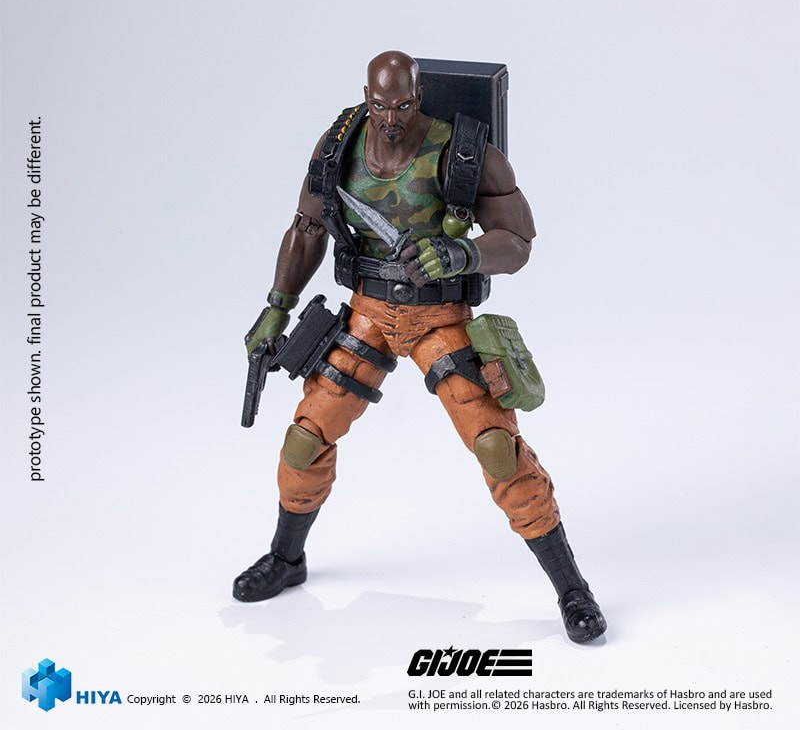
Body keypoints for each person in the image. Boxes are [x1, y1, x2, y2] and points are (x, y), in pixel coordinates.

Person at [233, 51, 606, 644]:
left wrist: (463, 252)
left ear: (420, 96)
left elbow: (518, 240)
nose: (390, 118)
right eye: (380, 105)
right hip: (368, 313)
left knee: (497, 449)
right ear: (366, 96)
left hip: (439, 316)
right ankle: (286, 557)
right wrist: (277, 305)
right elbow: (306, 227)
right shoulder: (339, 144)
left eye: (403, 106)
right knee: (305, 438)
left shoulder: (464, 151)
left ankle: (572, 590)